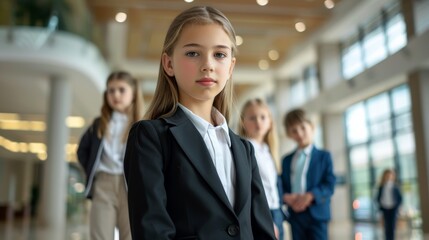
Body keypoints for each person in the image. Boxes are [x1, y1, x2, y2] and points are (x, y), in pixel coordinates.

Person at [123, 6, 276, 240]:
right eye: (193, 53)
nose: (208, 65)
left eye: (220, 55)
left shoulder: (244, 149)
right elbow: (151, 231)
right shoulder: (150, 137)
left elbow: (262, 231)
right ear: (169, 64)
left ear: (231, 67)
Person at [77, 71, 143, 240]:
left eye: (121, 90)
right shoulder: (99, 123)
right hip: (103, 184)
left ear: (133, 93)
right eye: (111, 90)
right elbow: (82, 151)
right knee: (100, 235)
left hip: (132, 186)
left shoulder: (143, 125)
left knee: (131, 235)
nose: (115, 95)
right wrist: (93, 170)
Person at [280, 108, 336, 240]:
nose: (299, 133)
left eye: (303, 128)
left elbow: (329, 184)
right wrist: (286, 197)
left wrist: (310, 196)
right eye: (294, 131)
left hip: (317, 214)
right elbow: (282, 184)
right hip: (295, 215)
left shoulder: (324, 156)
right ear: (289, 134)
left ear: (312, 127)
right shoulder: (287, 160)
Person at [239, 98, 284, 240]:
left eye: (263, 117)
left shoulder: (268, 150)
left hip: (276, 210)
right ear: (243, 122)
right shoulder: (245, 148)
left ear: (270, 122)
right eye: (252, 118)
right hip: (261, 211)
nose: (258, 122)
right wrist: (267, 219)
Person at [376, 169, 402, 240]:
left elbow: (399, 198)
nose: (389, 176)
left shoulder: (395, 186)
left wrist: (398, 207)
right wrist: (380, 206)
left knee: (392, 225)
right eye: (387, 175)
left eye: (390, 175)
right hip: (385, 208)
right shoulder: (381, 187)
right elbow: (378, 198)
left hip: (393, 208)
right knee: (386, 225)